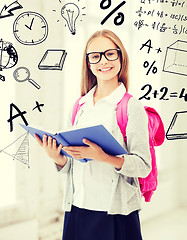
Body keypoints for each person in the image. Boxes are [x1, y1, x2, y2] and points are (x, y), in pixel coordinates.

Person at [35, 29, 151, 240]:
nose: (103, 61)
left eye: (110, 53)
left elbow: (143, 167)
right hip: (78, 208)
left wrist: (104, 157)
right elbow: (72, 163)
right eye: (95, 56)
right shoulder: (80, 106)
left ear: (120, 57)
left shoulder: (131, 106)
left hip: (115, 212)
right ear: (88, 63)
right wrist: (57, 158)